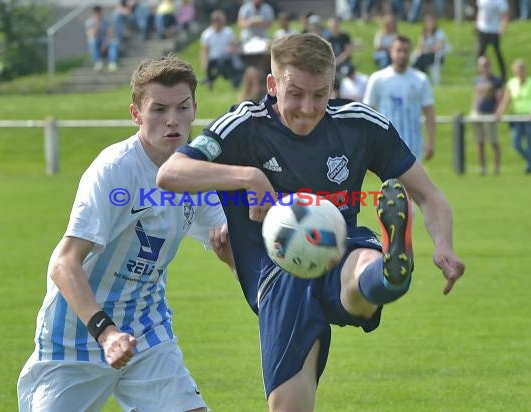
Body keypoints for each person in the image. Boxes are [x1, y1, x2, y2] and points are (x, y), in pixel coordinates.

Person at [157, 33, 465, 411]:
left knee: (360, 266)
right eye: (296, 93)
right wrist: (249, 178)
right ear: (272, 85)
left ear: (333, 86)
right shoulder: (244, 125)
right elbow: (171, 172)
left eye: (320, 94)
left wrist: (444, 244)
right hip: (276, 272)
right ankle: (382, 278)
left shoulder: (359, 124)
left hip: (340, 243)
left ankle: (389, 274)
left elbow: (428, 195)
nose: (308, 107)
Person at [17, 55, 230, 411]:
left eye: (182, 107)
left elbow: (227, 243)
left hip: (148, 330)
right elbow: (63, 264)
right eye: (159, 109)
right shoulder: (115, 171)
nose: (173, 120)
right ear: (136, 114)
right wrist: (107, 332)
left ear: (196, 108)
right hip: (76, 337)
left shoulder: (198, 175)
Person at [364, 35, 436, 162]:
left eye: (406, 51)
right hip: (386, 147)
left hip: (413, 147)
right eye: (399, 50)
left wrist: (430, 141)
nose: (402, 55)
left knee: (412, 182)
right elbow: (368, 112)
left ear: (411, 53)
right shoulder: (378, 79)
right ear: (391, 52)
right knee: (389, 183)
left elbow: (429, 112)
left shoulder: (420, 79)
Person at [495, 58, 531, 173]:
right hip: (517, 117)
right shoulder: (512, 83)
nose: (520, 71)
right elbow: (506, 99)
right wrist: (499, 112)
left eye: (521, 69)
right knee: (516, 143)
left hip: (528, 117)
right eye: (518, 69)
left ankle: (528, 166)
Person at [471, 55, 503, 175]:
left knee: (493, 141)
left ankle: (496, 168)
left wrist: (497, 111)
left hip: (490, 114)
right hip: (479, 113)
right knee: (480, 142)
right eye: (482, 66)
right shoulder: (477, 80)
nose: (484, 68)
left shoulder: (496, 80)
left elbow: (499, 97)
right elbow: (475, 97)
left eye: (486, 65)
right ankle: (482, 168)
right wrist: (473, 109)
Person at [199, 9, 243, 89]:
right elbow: (205, 50)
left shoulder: (228, 32)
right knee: (215, 65)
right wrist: (204, 62)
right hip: (213, 58)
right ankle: (210, 80)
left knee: (224, 65)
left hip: (226, 57)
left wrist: (232, 48)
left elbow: (233, 44)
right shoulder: (207, 34)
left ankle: (210, 79)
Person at [475, 0, 509, 81]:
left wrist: (503, 28)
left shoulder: (500, 1)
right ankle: (481, 76)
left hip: (494, 29)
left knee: (497, 53)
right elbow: (480, 11)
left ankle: (503, 75)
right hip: (482, 29)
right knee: (480, 54)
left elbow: (505, 15)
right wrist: (477, 24)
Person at [85, 5, 120, 72]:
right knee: (91, 41)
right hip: (96, 43)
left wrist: (105, 44)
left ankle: (112, 62)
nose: (98, 14)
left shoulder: (106, 21)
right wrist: (97, 24)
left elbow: (110, 34)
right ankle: (98, 62)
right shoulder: (89, 22)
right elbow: (91, 35)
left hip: (105, 42)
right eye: (96, 12)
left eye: (99, 12)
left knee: (114, 42)